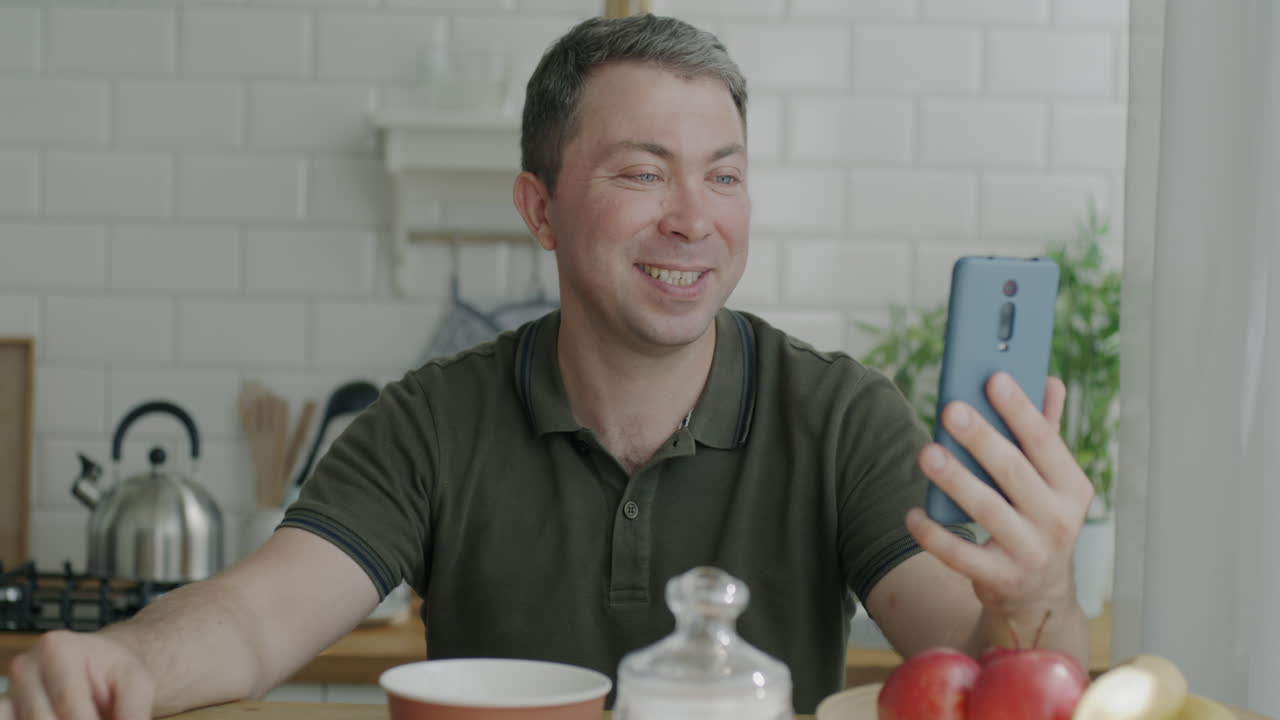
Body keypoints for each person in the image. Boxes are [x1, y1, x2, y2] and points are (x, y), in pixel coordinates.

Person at [0, 13, 1094, 719]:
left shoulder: (835, 414)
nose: (692, 221)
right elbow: (252, 619)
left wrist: (1038, 587)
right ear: (540, 207)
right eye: (641, 174)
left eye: (722, 176)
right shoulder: (433, 421)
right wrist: (130, 665)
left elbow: (980, 674)